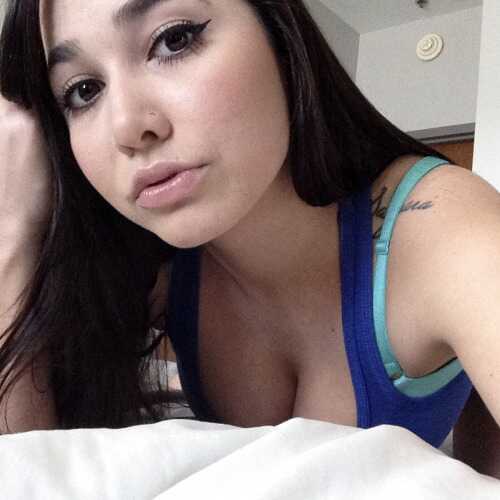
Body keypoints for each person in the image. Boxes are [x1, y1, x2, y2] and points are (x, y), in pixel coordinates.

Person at [0, 0, 499, 478]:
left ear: (278, 31)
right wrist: (14, 232)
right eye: (83, 91)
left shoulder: (437, 227)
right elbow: (29, 471)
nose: (127, 127)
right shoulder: (162, 271)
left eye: (174, 39)